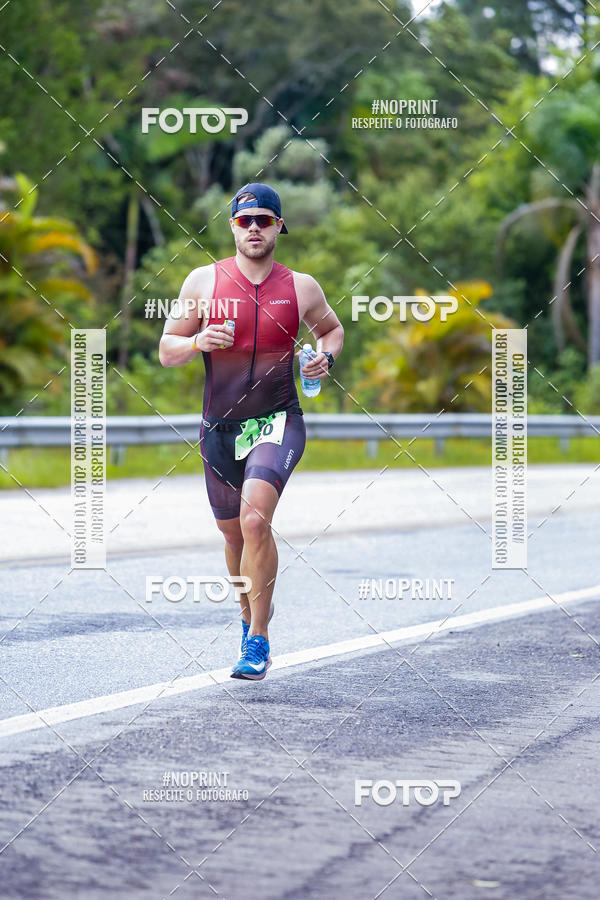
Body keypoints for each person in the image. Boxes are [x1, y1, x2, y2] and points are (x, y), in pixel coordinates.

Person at [159, 182, 344, 679]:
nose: (255, 228)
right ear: (233, 227)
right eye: (245, 221)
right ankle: (248, 620)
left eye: (265, 219)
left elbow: (331, 329)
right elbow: (166, 350)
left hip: (278, 420)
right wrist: (198, 339)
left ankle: (259, 639)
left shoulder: (301, 286)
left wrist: (323, 358)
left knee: (255, 521)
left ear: (280, 225)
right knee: (232, 535)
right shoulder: (203, 282)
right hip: (219, 427)